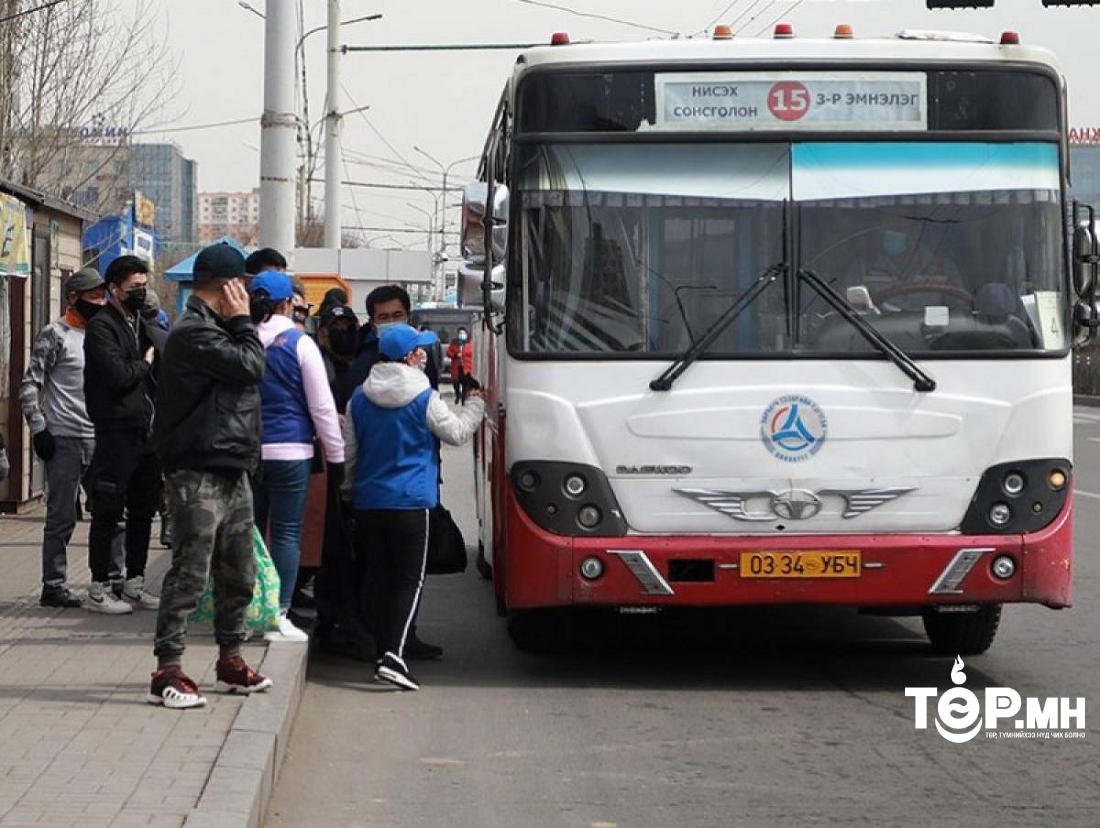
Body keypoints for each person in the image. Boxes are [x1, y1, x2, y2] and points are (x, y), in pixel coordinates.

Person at [149, 244, 272, 709]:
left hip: (231, 465)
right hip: (196, 469)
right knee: (191, 570)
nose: (247, 294)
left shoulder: (217, 331)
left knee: (238, 569)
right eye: (242, 284)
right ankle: (168, 670)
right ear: (227, 286)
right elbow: (251, 366)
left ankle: (230, 659)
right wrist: (243, 323)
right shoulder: (193, 332)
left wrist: (242, 325)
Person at [341, 323, 485, 691]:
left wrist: (347, 491)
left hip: (369, 501)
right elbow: (456, 433)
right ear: (408, 357)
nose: (424, 354)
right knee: (409, 581)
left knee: (378, 577)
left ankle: (381, 648)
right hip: (411, 501)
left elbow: (350, 454)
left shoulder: (359, 397)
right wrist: (476, 405)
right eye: (419, 349)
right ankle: (394, 656)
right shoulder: (424, 397)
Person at [250, 271, 345, 643]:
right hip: (292, 450)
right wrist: (336, 457)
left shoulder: (242, 341)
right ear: (288, 303)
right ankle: (279, 613)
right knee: (287, 535)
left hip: (249, 451)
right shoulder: (300, 344)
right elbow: (322, 407)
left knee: (251, 533)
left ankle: (247, 610)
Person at [19, 267, 122, 608]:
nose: (99, 301)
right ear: (73, 298)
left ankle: (115, 579)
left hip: (102, 438)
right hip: (63, 438)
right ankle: (54, 585)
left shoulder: (105, 333)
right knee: (61, 517)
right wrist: (38, 427)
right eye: (92, 297)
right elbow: (30, 383)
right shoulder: (55, 334)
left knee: (110, 511)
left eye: (102, 295)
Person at [83, 255, 161, 614]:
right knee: (108, 511)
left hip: (145, 432)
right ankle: (99, 588)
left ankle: (134, 582)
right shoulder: (102, 326)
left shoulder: (141, 322)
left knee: (143, 509)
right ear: (114, 290)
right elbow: (117, 375)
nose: (141, 293)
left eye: (144, 286)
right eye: (134, 288)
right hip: (115, 431)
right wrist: (143, 365)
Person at [317, 304, 360, 412]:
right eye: (335, 325)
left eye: (347, 324)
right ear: (323, 334)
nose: (343, 329)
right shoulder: (319, 366)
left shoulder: (365, 360)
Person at [447, 327, 475, 405]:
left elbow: (472, 353)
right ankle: (457, 395)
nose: (461, 335)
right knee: (456, 383)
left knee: (465, 384)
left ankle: (463, 399)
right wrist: (455, 354)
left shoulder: (469, 343)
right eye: (460, 333)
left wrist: (464, 355)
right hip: (456, 367)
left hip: (466, 367)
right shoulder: (454, 343)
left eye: (463, 333)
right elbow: (448, 353)